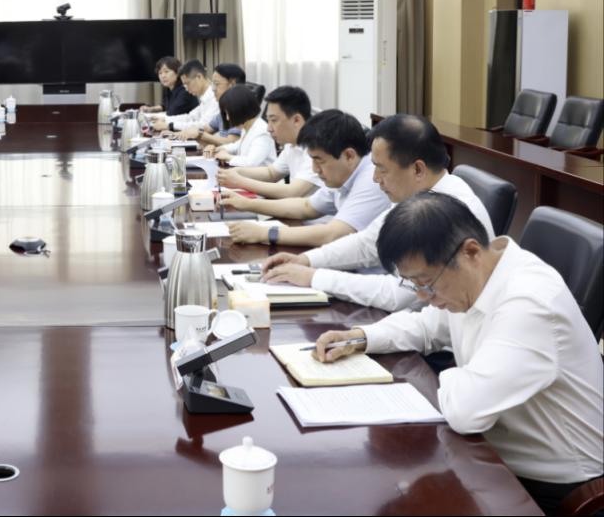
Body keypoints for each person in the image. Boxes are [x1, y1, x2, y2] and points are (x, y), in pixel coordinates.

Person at [312, 192, 603, 516]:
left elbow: (465, 411)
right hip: (490, 451)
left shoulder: (530, 303)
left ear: (471, 251)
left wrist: (452, 376)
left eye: (427, 284)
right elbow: (428, 326)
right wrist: (362, 336)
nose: (425, 297)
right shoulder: (478, 276)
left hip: (553, 484)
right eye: (413, 285)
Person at [261, 114, 495, 312]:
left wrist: (313, 277)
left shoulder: (444, 213)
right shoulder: (417, 195)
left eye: (382, 169)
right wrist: (306, 260)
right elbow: (367, 243)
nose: (375, 178)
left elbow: (398, 295)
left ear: (417, 169)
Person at [223, 109, 390, 248]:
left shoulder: (372, 179)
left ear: (349, 156)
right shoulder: (344, 174)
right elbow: (306, 207)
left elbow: (333, 234)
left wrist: (264, 233)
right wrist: (247, 203)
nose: (315, 169)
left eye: (319, 161)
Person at [217, 85, 323, 198]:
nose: (269, 128)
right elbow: (271, 172)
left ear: (296, 120)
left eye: (274, 120)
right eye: (268, 121)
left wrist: (239, 181)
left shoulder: (317, 148)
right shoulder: (291, 144)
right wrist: (237, 172)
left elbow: (292, 191)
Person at [174, 63, 245, 151]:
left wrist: (200, 134)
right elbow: (206, 128)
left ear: (232, 84)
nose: (213, 89)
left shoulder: (241, 108)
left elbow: (232, 142)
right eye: (213, 84)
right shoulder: (225, 108)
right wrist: (182, 133)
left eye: (217, 84)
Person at [212, 85, 276, 167]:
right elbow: (238, 146)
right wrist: (219, 149)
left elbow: (250, 162)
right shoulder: (248, 127)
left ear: (239, 109)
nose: (227, 118)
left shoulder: (262, 131)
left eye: (228, 113)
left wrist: (227, 157)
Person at [151, 60, 218, 133]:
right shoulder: (205, 97)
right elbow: (190, 117)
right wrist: (165, 119)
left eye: (187, 83)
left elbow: (204, 126)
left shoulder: (215, 97)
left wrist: (170, 125)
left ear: (199, 77)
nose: (186, 88)